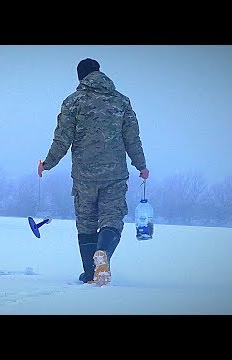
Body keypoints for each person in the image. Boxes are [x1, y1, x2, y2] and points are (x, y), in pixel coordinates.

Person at [38, 58, 149, 286]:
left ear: (80, 77)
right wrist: (141, 166)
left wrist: (47, 163)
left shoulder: (73, 102)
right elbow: (132, 138)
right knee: (112, 220)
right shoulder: (121, 101)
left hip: (83, 176)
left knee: (86, 224)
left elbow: (62, 139)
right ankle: (103, 256)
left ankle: (90, 273)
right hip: (115, 175)